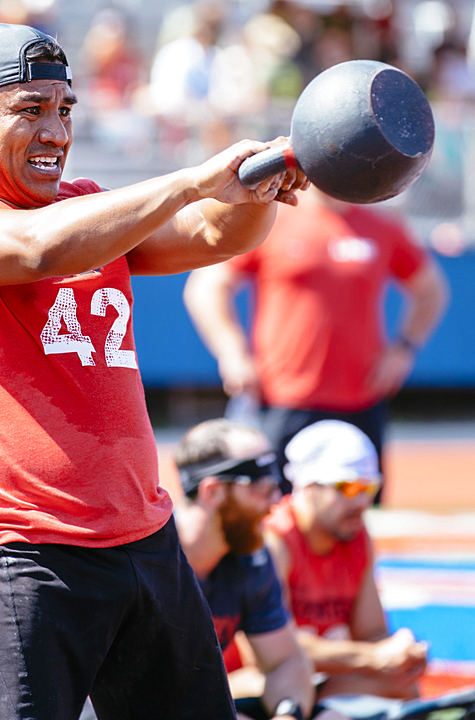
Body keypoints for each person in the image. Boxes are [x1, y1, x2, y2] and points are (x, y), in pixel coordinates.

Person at [0, 21, 308, 720]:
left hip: (145, 540)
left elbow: (209, 234)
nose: (54, 130)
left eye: (64, 108)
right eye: (30, 110)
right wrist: (192, 179)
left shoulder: (84, 205)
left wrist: (262, 188)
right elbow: (35, 249)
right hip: (22, 554)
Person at [183, 184, 449, 485]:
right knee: (271, 508)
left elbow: (430, 290)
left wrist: (404, 348)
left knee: (356, 510)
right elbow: (207, 287)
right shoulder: (271, 220)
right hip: (281, 397)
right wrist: (232, 352)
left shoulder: (383, 227)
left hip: (360, 398)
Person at [264, 420, 428, 700]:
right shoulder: (275, 541)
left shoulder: (354, 537)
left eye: (370, 488)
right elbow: (272, 651)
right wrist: (373, 657)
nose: (362, 502)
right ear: (308, 486)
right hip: (259, 682)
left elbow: (372, 631)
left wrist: (400, 653)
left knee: (403, 686)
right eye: (349, 488)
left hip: (313, 681)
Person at [173, 418, 314, 720]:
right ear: (212, 491)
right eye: (260, 487)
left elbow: (286, 661)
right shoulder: (145, 559)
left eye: (275, 484)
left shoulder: (251, 559)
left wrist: (288, 714)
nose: (276, 501)